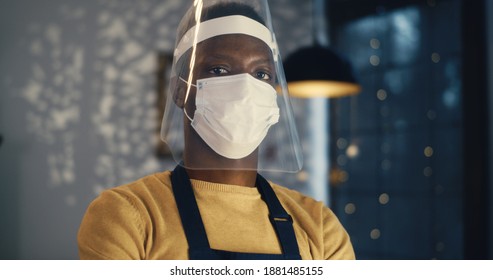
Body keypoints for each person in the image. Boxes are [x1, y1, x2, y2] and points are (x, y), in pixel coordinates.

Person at [78, 0, 355, 260]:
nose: (246, 89)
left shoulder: (319, 226)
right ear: (179, 90)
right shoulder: (127, 215)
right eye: (219, 70)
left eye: (261, 74)